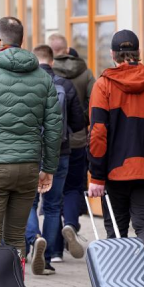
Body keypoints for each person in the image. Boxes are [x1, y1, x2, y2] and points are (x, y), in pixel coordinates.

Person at [0, 17, 62, 272]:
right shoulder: (43, 79)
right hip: (28, 166)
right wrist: (48, 168)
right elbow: (53, 128)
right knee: (17, 238)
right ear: (21, 42)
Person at [87, 29, 144, 279]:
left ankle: (120, 282)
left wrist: (96, 176)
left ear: (112, 55)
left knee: (116, 230)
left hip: (115, 173)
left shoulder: (103, 86)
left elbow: (98, 133)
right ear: (139, 54)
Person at [25, 44, 85, 274]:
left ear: (34, 59)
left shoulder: (26, 83)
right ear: (52, 61)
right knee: (52, 206)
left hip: (30, 153)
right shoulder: (65, 84)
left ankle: (34, 238)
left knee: (28, 202)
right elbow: (79, 123)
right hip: (60, 152)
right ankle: (48, 259)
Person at [49, 34, 95, 259]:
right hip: (78, 139)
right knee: (74, 188)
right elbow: (93, 103)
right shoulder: (85, 72)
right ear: (67, 48)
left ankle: (55, 251)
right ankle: (71, 224)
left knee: (53, 194)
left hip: (53, 141)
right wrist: (84, 123)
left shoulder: (46, 73)